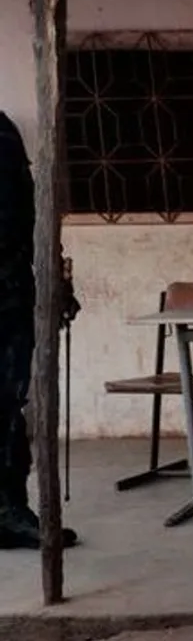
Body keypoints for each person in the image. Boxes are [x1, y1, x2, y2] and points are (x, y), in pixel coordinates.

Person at [0, 115, 77, 550]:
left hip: (10, 294)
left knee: (9, 405)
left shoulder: (4, 134)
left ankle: (10, 507)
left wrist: (55, 279)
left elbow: (33, 216)